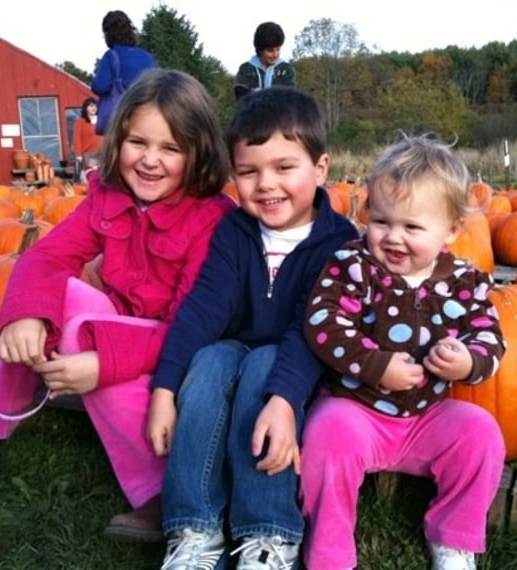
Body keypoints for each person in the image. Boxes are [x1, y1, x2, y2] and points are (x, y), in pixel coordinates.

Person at [0, 68, 236, 542]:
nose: (151, 161)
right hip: (114, 326)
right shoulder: (108, 196)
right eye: (140, 142)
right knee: (59, 294)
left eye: (172, 149)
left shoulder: (213, 221)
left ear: (199, 153)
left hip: (178, 351)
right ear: (119, 140)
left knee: (89, 330)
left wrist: (103, 364)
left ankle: (162, 489)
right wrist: (25, 315)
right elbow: (49, 255)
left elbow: (190, 327)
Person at [148, 87, 359, 570]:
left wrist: (284, 401)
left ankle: (267, 535)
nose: (266, 185)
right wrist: (164, 389)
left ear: (320, 169)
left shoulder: (340, 243)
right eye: (248, 172)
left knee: (265, 364)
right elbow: (202, 310)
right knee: (209, 358)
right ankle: (194, 530)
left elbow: (313, 331)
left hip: (304, 365)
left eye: (284, 168)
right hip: (239, 351)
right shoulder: (235, 231)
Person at [300, 134, 508, 570]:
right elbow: (323, 324)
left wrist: (468, 360)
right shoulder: (352, 265)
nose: (393, 237)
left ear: (451, 229)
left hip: (427, 418)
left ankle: (453, 540)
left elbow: (490, 336)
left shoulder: (464, 281)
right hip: (356, 408)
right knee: (326, 433)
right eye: (380, 221)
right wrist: (376, 365)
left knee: (481, 432)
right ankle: (330, 548)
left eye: (412, 228)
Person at [91, 10, 157, 134]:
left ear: (108, 34)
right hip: (148, 117)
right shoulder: (147, 57)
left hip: (123, 119)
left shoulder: (112, 56)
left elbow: (100, 86)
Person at [234, 22, 296, 101]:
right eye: (270, 51)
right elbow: (242, 100)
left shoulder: (286, 69)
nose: (275, 54)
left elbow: (289, 99)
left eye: (278, 49)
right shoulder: (246, 69)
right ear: (260, 50)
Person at [72, 97, 104, 181]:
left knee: (103, 177)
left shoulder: (101, 120)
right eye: (90, 106)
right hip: (89, 155)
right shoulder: (80, 122)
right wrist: (78, 154)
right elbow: (77, 137)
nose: (93, 108)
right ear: (85, 108)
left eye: (95, 106)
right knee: (92, 177)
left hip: (102, 153)